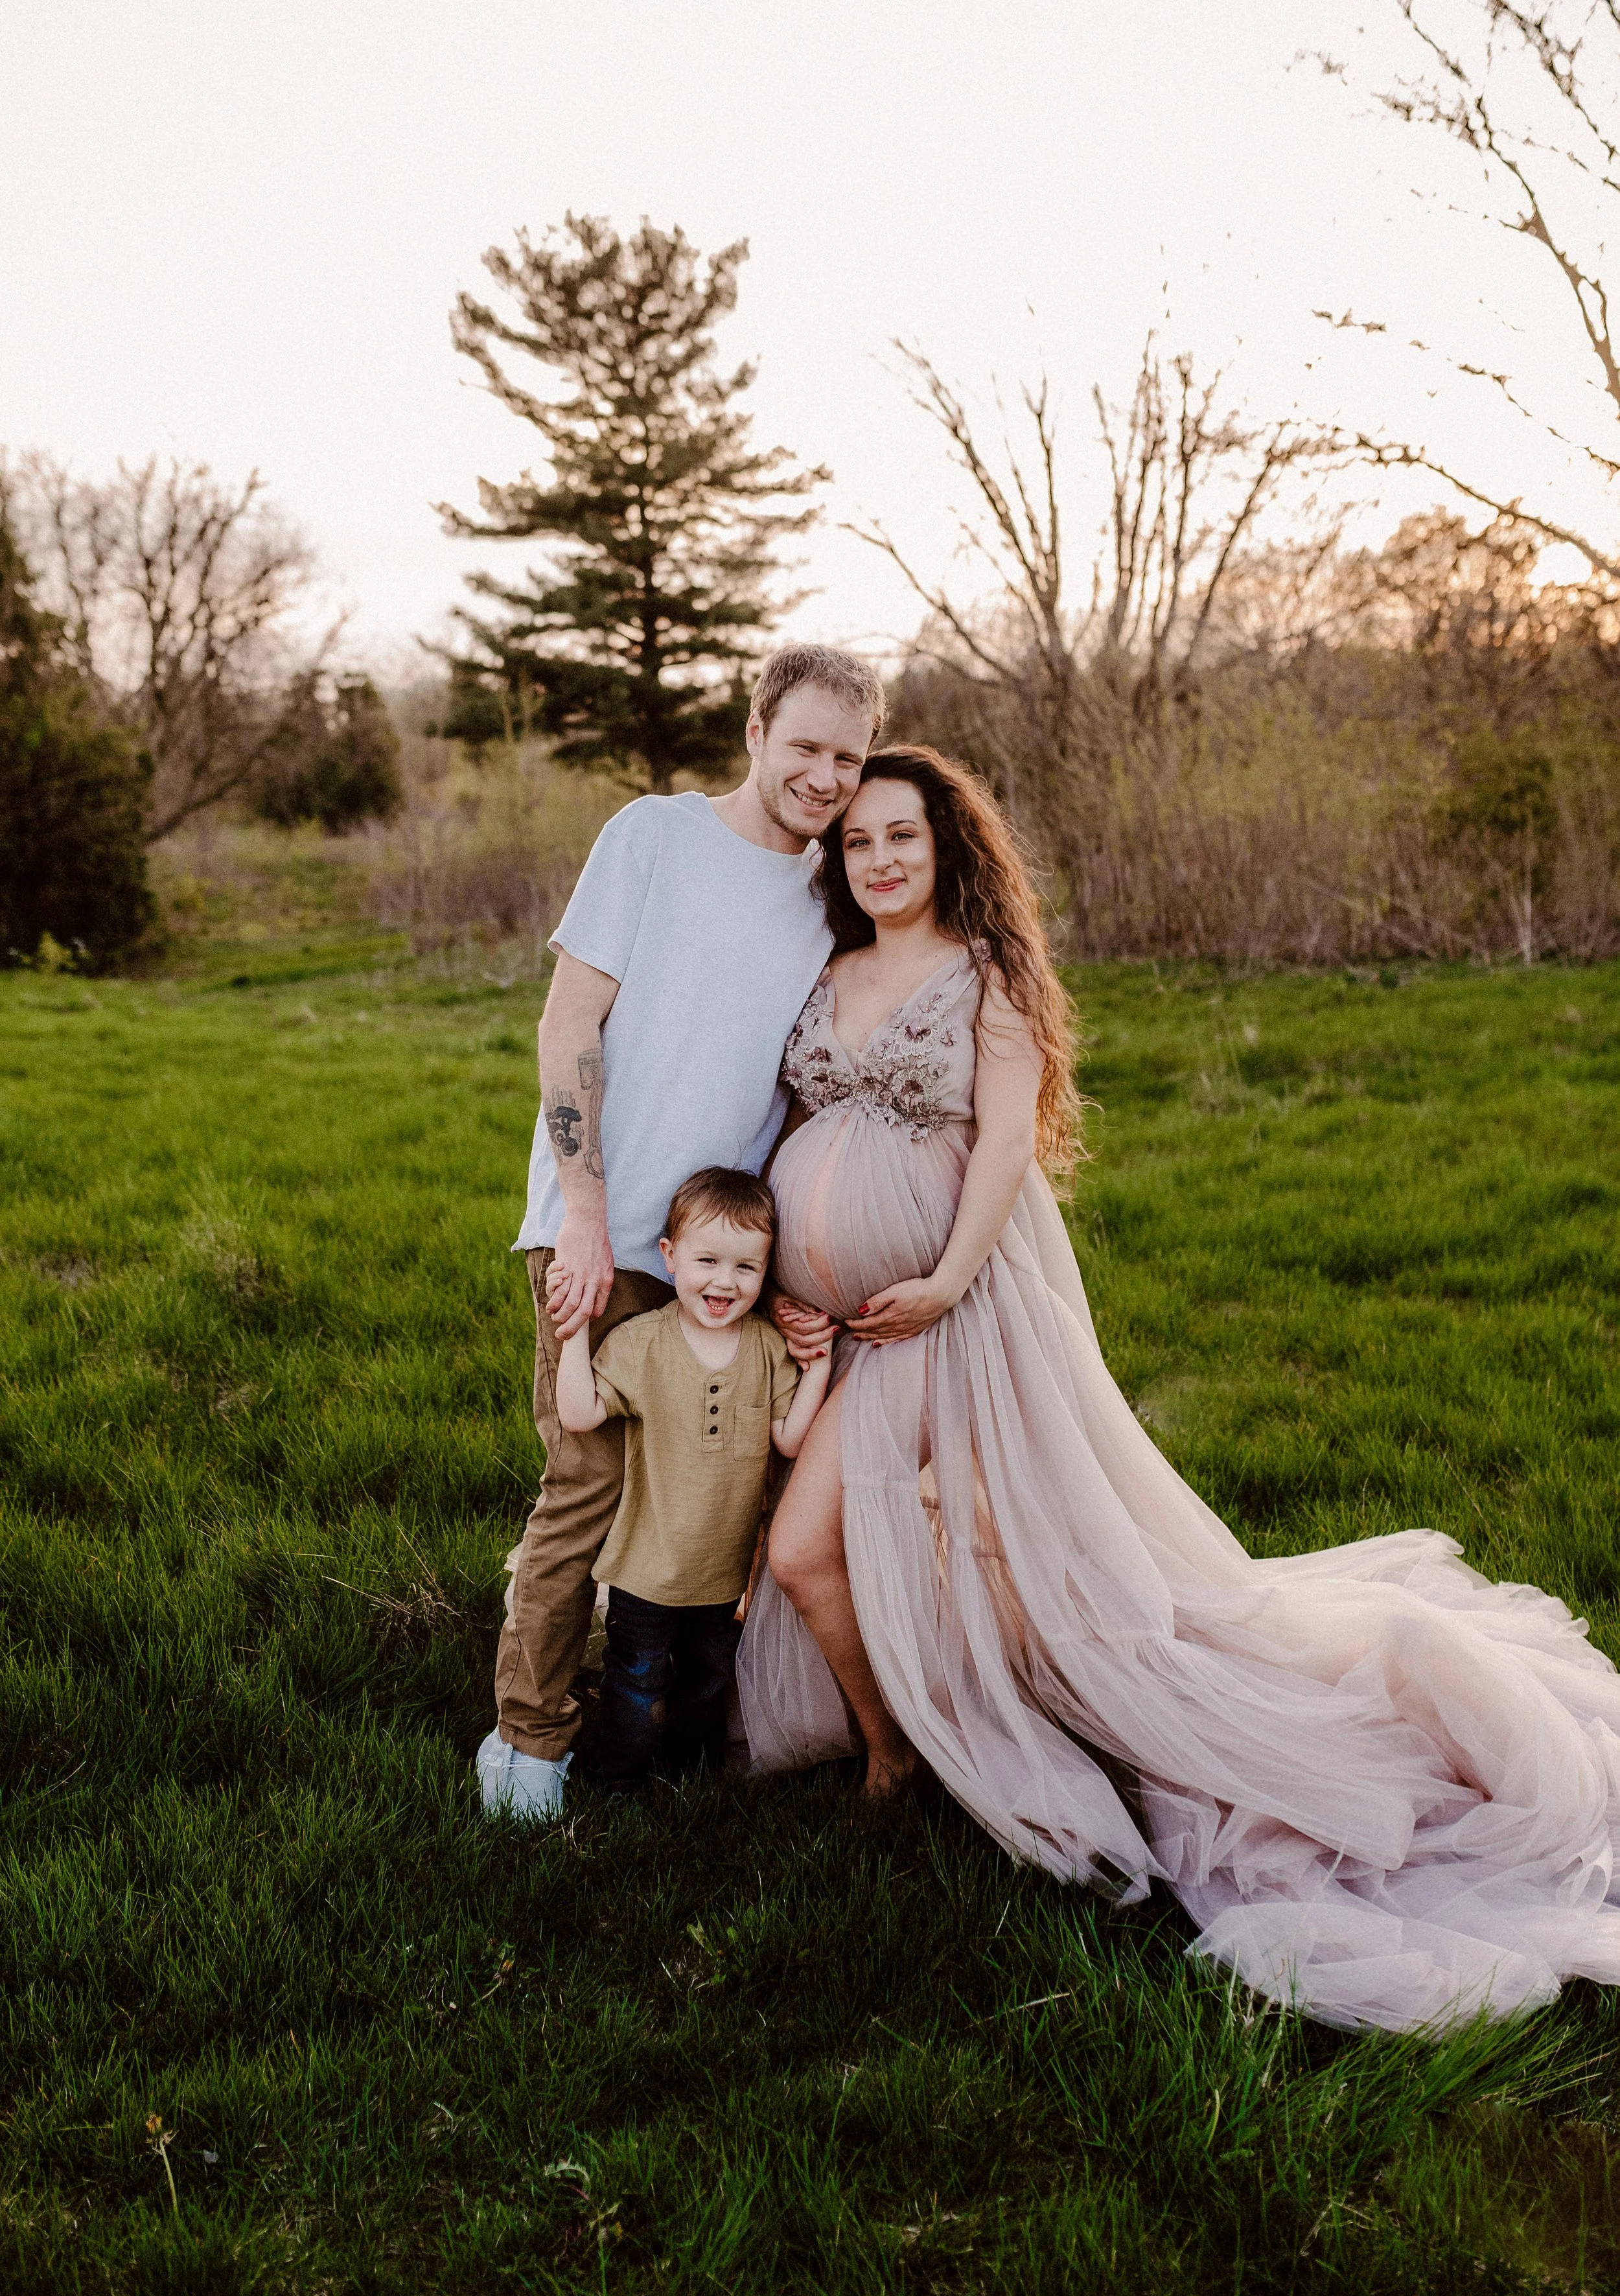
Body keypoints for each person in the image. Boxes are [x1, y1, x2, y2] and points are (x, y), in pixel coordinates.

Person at [737, 743, 1620, 2034]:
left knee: (813, 1546)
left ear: (945, 847)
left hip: (952, 1315)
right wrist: (785, 1283)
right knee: (915, 1546)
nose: (877, 859)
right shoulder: (826, 970)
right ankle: (917, 1729)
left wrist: (942, 1281)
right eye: (857, 840)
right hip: (853, 1331)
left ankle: (897, 1754)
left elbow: (1000, 1149)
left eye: (901, 836)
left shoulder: (984, 975)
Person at [475, 642, 881, 1822]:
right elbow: (568, 1025)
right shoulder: (653, 836)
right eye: (805, 746)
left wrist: (789, 1260)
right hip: (602, 1228)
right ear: (754, 731)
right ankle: (530, 1736)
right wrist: (583, 1217)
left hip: (729, 1256)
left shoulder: (833, 892)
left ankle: (668, 1711)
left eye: (848, 759)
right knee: (586, 1484)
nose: (824, 777)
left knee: (714, 1500)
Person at [554, 1166, 831, 1783]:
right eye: (707, 1260)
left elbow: (789, 1438)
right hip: (646, 1572)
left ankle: (689, 1778)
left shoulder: (766, 1348)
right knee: (636, 1678)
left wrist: (818, 1364)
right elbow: (579, 1413)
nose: (725, 1282)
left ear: (766, 1271)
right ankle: (617, 1780)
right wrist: (574, 1331)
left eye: (746, 1267)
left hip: (722, 1575)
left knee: (708, 1678)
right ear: (670, 1256)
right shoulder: (643, 1343)